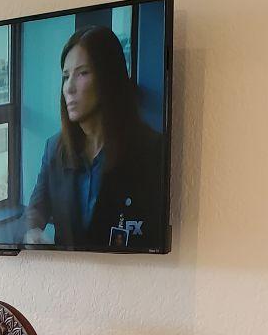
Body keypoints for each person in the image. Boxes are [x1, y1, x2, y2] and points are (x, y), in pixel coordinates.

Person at [25, 25, 164, 250]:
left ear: (109, 78)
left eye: (82, 73)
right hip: (64, 271)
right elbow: (35, 210)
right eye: (65, 76)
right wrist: (32, 231)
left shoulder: (151, 150)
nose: (69, 88)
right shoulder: (55, 148)